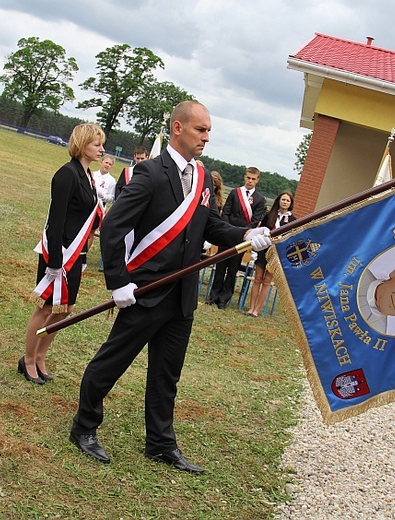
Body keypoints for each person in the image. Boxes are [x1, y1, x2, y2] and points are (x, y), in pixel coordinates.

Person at [69, 100, 271, 473]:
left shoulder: (202, 177)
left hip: (182, 296)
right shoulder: (149, 172)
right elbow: (113, 228)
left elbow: (210, 226)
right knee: (111, 363)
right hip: (145, 292)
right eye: (201, 129)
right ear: (177, 128)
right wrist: (118, 282)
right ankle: (84, 427)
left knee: (166, 375)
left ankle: (160, 443)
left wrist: (247, 233)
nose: (207, 137)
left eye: (209, 131)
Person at [21, 123, 105, 384]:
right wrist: (55, 261)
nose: (102, 149)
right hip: (58, 253)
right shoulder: (67, 174)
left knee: (65, 309)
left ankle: (42, 356)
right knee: (46, 308)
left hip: (76, 253)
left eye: (102, 144)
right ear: (81, 145)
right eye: (96, 144)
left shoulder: (88, 175)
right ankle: (28, 360)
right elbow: (55, 221)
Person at [207, 167, 266, 309]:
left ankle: (224, 299)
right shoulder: (235, 193)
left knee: (233, 270)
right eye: (248, 178)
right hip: (226, 235)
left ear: (257, 180)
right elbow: (225, 212)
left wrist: (243, 234)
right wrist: (227, 231)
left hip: (242, 239)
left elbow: (255, 220)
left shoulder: (260, 200)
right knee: (220, 266)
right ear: (244, 177)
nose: (250, 181)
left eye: (253, 179)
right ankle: (213, 296)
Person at [246, 191, 296, 317]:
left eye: (287, 201)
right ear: (279, 200)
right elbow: (260, 231)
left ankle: (257, 310)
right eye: (283, 199)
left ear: (290, 204)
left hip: (277, 254)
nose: (285, 202)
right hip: (264, 250)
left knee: (267, 282)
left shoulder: (292, 220)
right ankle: (251, 308)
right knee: (257, 279)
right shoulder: (269, 215)